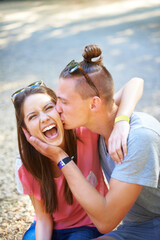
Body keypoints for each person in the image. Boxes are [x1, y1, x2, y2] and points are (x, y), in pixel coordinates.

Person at [24, 44, 160, 240]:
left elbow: (106, 222)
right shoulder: (96, 124)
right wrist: (121, 120)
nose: (57, 110)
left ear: (93, 104)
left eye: (64, 102)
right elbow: (133, 84)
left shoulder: (139, 137)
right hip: (135, 228)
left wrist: (61, 158)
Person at [12, 82, 108, 240]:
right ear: (26, 130)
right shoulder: (26, 164)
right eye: (33, 116)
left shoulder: (85, 132)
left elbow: (131, 87)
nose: (44, 118)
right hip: (49, 226)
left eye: (48, 108)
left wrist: (123, 121)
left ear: (59, 109)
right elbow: (43, 218)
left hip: (87, 226)